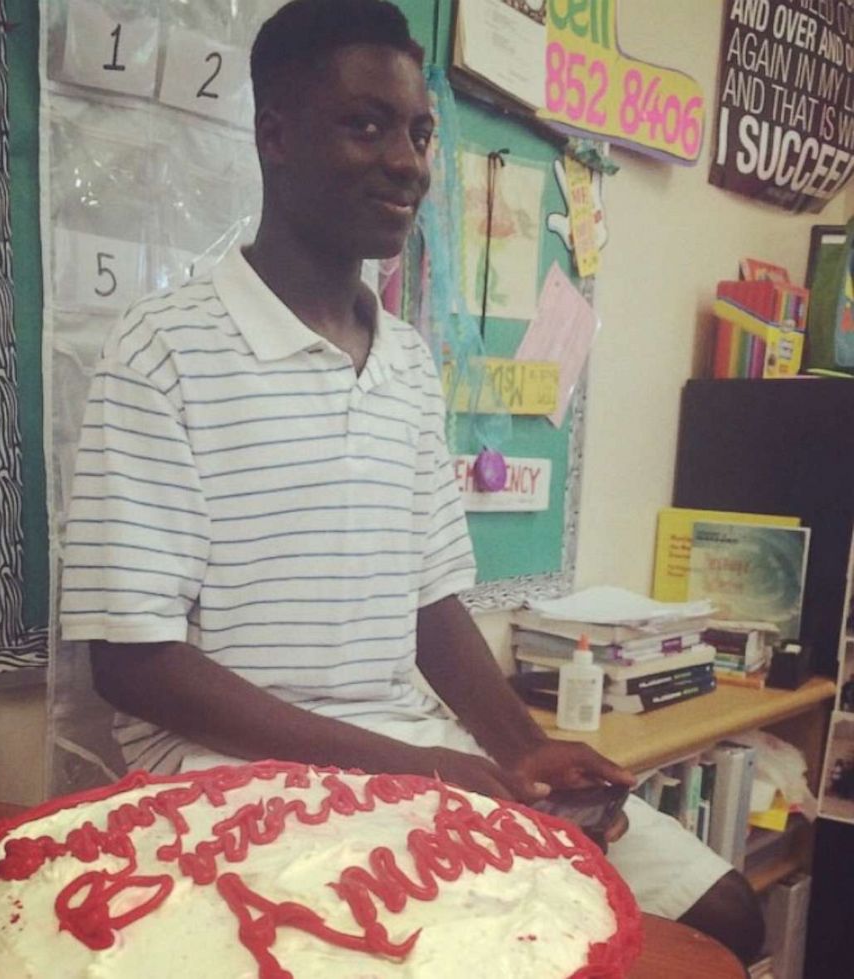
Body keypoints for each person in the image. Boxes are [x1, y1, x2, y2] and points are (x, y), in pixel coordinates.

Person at [60, 0, 763, 962]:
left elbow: (430, 601)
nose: (408, 160)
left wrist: (516, 747)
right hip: (238, 780)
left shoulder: (405, 365)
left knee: (725, 913)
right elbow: (133, 663)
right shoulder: (162, 353)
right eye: (365, 124)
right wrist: (425, 769)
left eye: (420, 131)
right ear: (274, 136)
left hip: (411, 749)